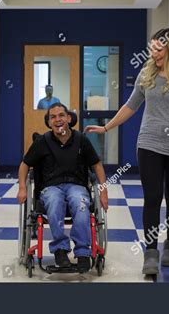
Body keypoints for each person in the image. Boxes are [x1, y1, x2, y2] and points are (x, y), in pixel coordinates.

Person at [85, 28, 169, 275]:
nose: (154, 54)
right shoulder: (146, 73)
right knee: (152, 197)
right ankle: (151, 251)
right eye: (152, 49)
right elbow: (131, 106)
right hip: (149, 143)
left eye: (158, 49)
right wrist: (106, 127)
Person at [17, 103, 109, 273]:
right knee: (55, 200)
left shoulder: (81, 140)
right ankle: (60, 249)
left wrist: (103, 191)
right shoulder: (41, 142)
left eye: (61, 115)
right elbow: (24, 165)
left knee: (80, 203)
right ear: (49, 122)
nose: (58, 119)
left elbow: (97, 165)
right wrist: (22, 187)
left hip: (77, 186)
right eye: (53, 117)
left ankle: (82, 252)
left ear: (68, 118)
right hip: (50, 188)